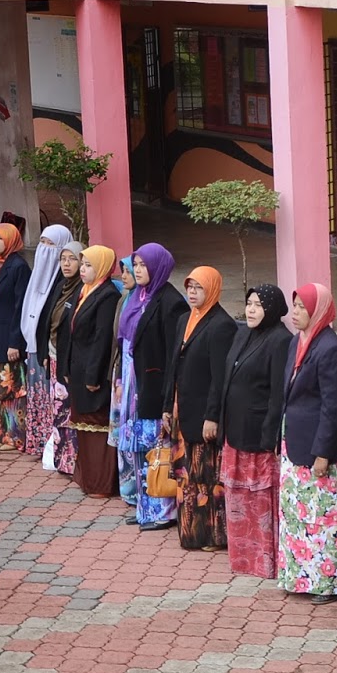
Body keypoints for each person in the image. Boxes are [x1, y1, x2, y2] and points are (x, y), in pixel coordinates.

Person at [278, 283, 337, 602]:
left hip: (318, 449)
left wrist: (322, 451)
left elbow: (333, 406)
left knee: (323, 519)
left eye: (302, 308)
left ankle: (330, 582)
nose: (295, 313)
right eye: (295, 307)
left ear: (318, 310)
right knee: (298, 516)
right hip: (295, 443)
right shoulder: (299, 341)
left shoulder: (330, 348)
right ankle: (300, 578)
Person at [218, 284, 292, 579]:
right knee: (237, 498)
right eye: (249, 303)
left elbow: (277, 394)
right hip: (235, 431)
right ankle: (243, 558)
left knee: (260, 500)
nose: (250, 310)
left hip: (258, 436)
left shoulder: (281, 340)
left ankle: (265, 561)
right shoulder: (243, 333)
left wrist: (269, 437)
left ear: (272, 309)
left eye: (258, 305)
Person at [118, 244, 188, 530]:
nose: (137, 270)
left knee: (157, 449)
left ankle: (164, 512)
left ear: (158, 267)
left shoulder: (171, 302)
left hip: (155, 386)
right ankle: (145, 508)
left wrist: (167, 396)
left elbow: (173, 354)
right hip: (136, 382)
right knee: (141, 449)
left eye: (143, 265)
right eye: (135, 264)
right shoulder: (139, 296)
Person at [169, 266, 237, 551]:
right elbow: (174, 366)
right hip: (182, 408)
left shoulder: (221, 325)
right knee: (186, 477)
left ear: (212, 290)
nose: (192, 293)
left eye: (199, 288)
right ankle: (189, 532)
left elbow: (219, 378)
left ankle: (211, 536)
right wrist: (167, 406)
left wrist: (212, 416)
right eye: (190, 287)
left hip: (203, 413)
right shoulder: (185, 319)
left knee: (206, 477)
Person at [58, 245, 123, 498]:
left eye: (88, 265)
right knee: (83, 428)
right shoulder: (84, 290)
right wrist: (66, 366)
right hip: (78, 369)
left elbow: (101, 339)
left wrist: (93, 376)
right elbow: (70, 332)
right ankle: (88, 479)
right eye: (82, 265)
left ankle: (101, 483)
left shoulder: (107, 296)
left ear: (102, 268)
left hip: (92, 374)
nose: (82, 270)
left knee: (97, 428)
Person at [19, 224, 70, 456]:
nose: (45, 249)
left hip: (49, 352)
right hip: (33, 350)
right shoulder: (36, 277)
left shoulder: (62, 282)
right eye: (42, 243)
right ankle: (38, 442)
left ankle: (51, 445)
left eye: (51, 245)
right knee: (37, 397)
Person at [0, 223, 32, 453]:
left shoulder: (18, 267)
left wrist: (15, 341)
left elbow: (20, 306)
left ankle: (16, 436)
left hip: (10, 338)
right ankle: (2, 433)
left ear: (10, 240)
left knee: (13, 389)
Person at [111, 256, 139, 503]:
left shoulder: (145, 301)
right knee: (124, 430)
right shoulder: (125, 300)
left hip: (137, 376)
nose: (126, 275)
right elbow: (119, 341)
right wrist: (119, 377)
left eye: (129, 271)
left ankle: (138, 490)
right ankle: (127, 488)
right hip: (124, 371)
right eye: (126, 270)